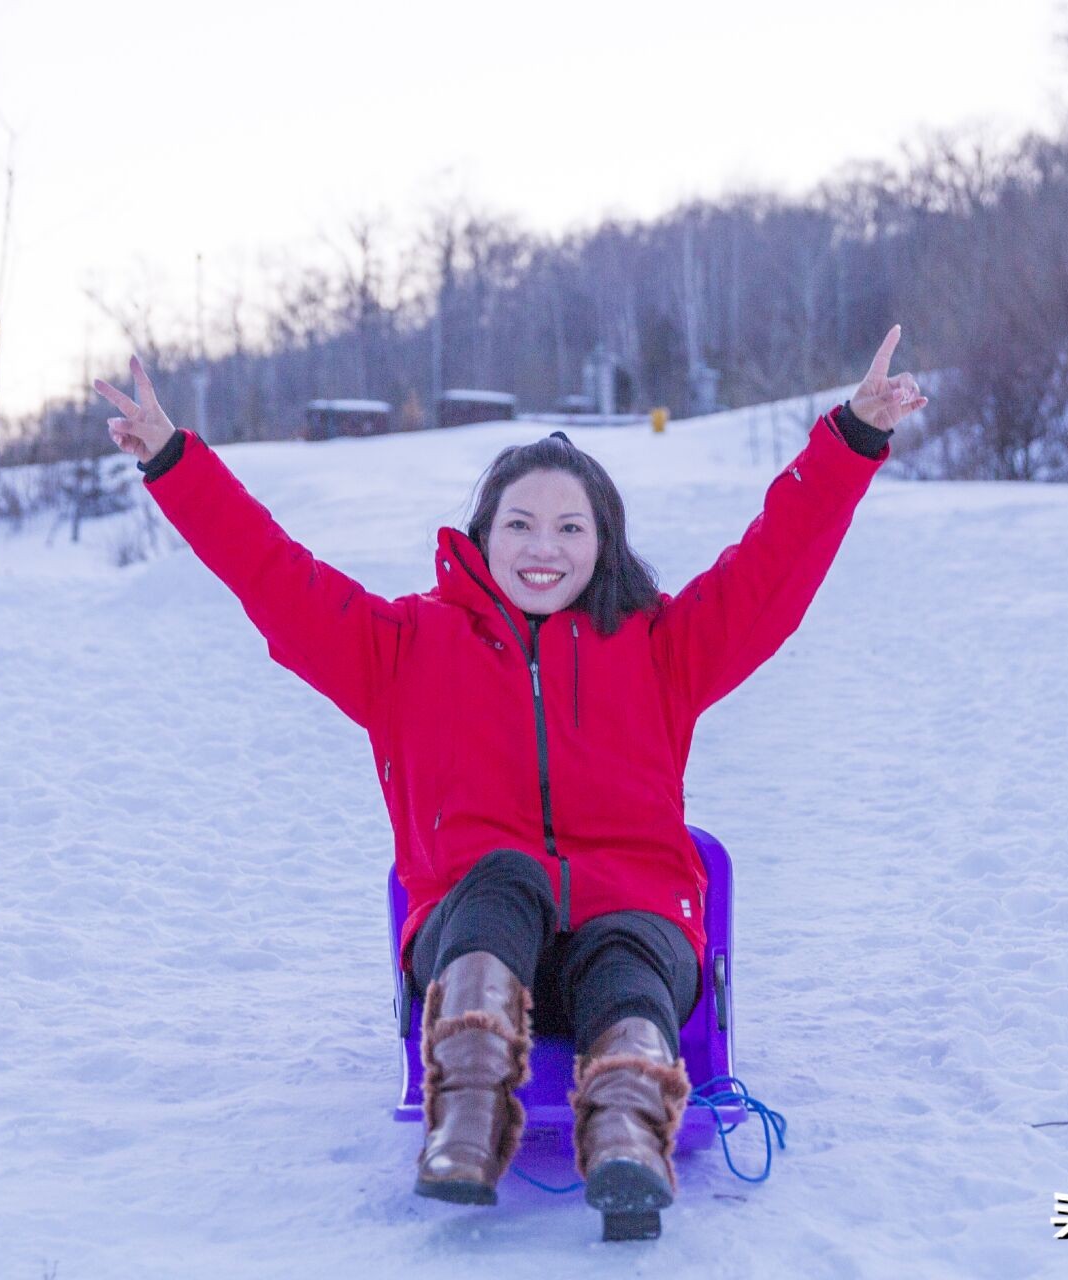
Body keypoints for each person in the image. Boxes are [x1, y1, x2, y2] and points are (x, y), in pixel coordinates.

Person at [94, 327, 927, 1221]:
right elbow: (275, 576)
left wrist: (851, 440)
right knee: (504, 877)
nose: (544, 548)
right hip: (475, 944)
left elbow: (771, 571)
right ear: (482, 536)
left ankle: (628, 1133)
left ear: (602, 544)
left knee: (626, 947)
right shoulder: (402, 648)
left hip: (631, 934)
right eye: (520, 524)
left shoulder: (661, 648)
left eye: (571, 528)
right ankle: (467, 1110)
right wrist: (174, 462)